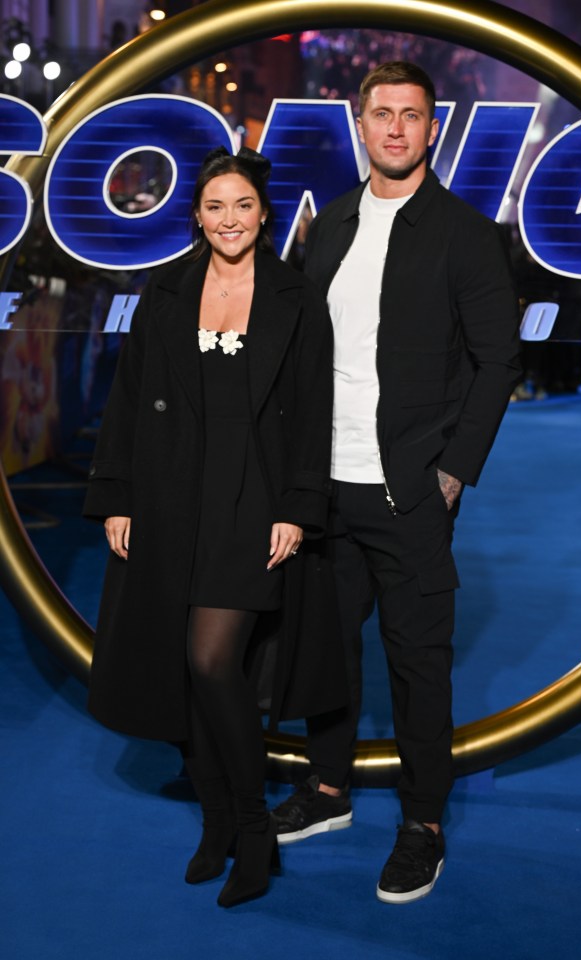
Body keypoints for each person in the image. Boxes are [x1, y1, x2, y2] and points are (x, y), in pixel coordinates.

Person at [273, 62, 522, 904]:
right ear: (360, 124)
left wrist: (454, 471)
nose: (394, 129)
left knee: (419, 664)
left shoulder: (464, 231)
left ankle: (423, 824)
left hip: (408, 488)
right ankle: (330, 790)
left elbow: (499, 362)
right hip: (326, 486)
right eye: (381, 114)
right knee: (326, 652)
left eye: (411, 116)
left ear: (430, 130)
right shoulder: (332, 222)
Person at [83, 146, 341, 908]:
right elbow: (129, 400)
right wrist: (118, 495)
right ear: (196, 216)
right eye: (215, 207)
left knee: (210, 659)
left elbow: (313, 411)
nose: (230, 219)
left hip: (252, 502)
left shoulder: (297, 296)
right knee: (179, 664)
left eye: (243, 206)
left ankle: (253, 825)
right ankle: (218, 819)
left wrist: (298, 506)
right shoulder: (164, 290)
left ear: (265, 215)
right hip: (171, 500)